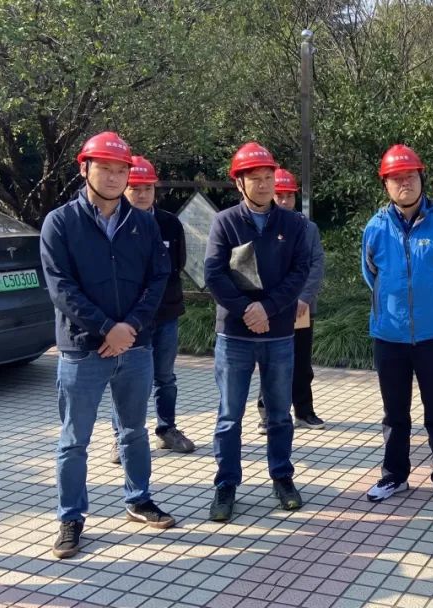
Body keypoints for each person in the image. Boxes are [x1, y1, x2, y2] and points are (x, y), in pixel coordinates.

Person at [40, 132, 175, 559]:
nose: (115, 177)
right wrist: (105, 329)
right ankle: (70, 517)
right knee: (74, 439)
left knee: (134, 431)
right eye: (105, 169)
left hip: (134, 346)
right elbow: (61, 287)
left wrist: (130, 327)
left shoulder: (143, 223)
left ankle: (139, 498)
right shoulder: (60, 222)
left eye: (122, 170)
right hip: (83, 349)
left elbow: (158, 278)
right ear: (85, 169)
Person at [361, 144, 433, 510]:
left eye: (410, 176)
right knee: (394, 412)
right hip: (389, 335)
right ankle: (395, 474)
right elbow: (371, 274)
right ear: (386, 185)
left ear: (422, 179)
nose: (404, 183)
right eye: (395, 178)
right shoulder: (376, 227)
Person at [205, 143, 310, 520]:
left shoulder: (292, 224)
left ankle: (282, 476)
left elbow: (299, 272)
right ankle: (226, 483)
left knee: (280, 413)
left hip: (278, 334)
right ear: (239, 183)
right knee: (229, 415)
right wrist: (246, 310)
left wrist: (267, 308)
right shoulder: (225, 222)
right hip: (235, 335)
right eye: (255, 178)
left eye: (269, 177)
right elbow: (214, 274)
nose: (264, 185)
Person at [108, 155, 195, 464]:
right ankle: (121, 437)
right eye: (136, 188)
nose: (142, 194)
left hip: (166, 314)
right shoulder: (115, 223)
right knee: (127, 379)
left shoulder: (169, 223)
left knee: (165, 377)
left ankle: (167, 429)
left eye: (148, 188)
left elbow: (177, 264)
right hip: (130, 320)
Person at [256, 168, 326, 433]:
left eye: (289, 196)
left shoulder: (308, 228)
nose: (284, 201)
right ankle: (267, 414)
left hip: (301, 308)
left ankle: (304, 411)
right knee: (269, 360)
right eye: (280, 195)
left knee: (301, 361)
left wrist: (305, 297)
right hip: (272, 307)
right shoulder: (262, 226)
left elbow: (316, 263)